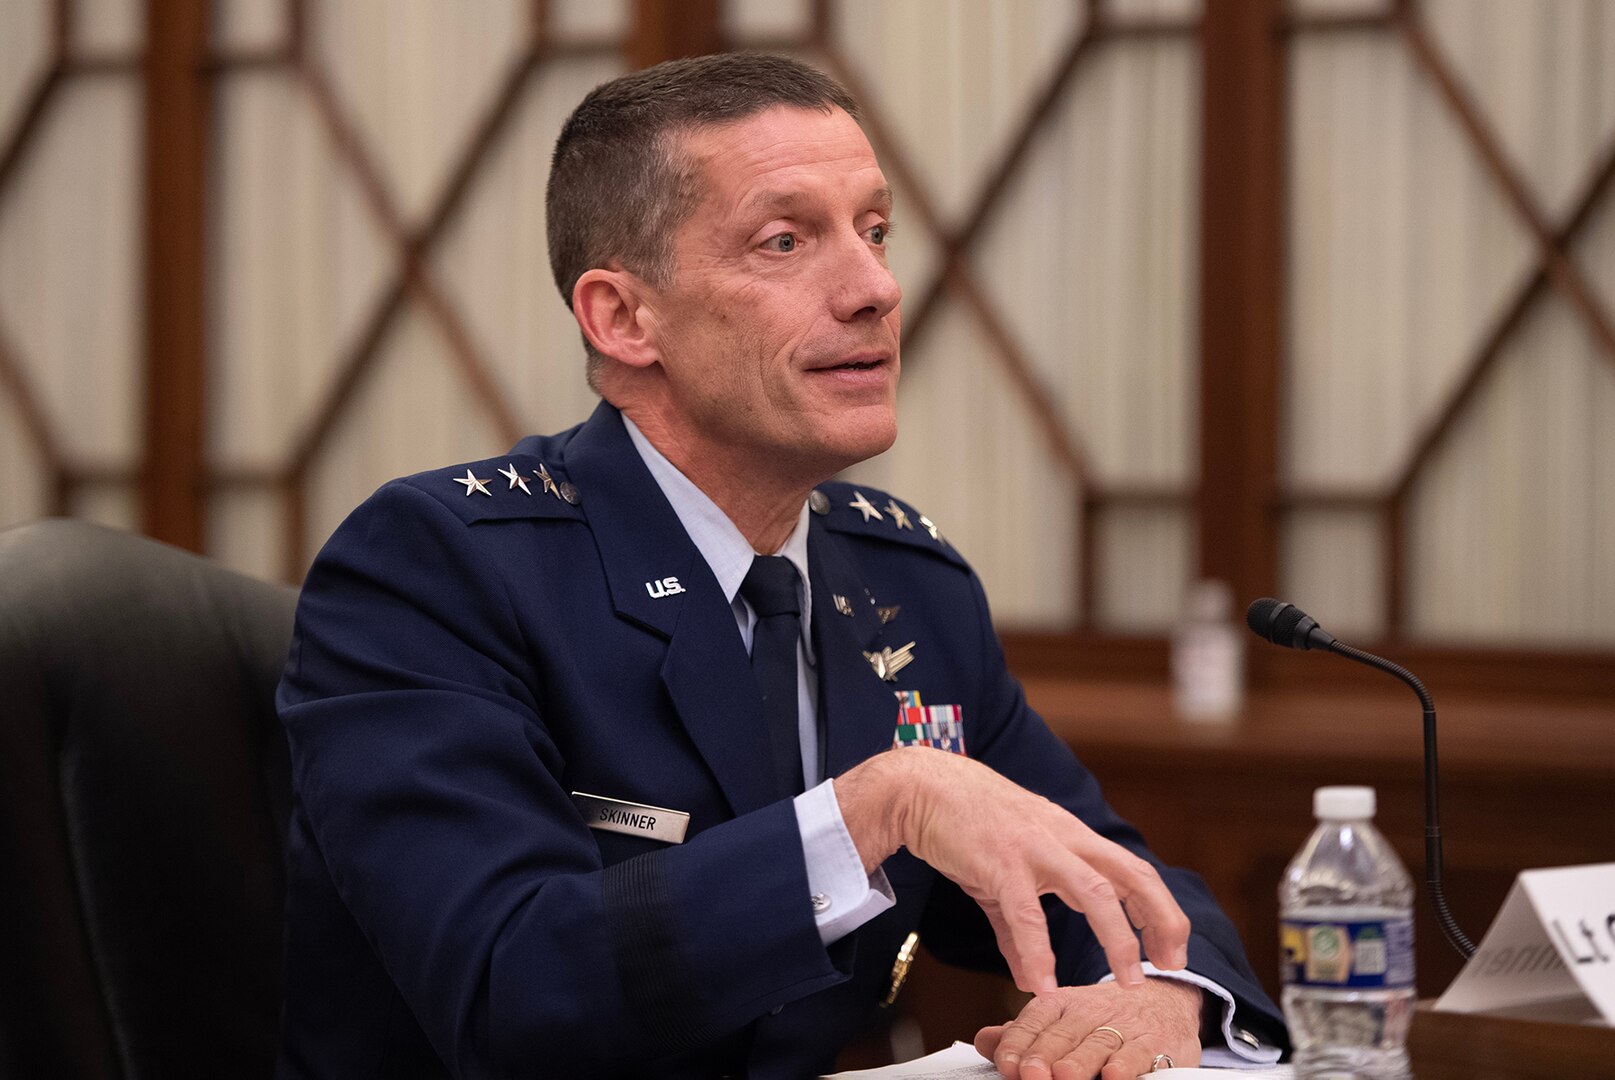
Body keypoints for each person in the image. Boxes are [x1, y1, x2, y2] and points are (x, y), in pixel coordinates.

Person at [276, 53, 1286, 1080]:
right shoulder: (438, 568)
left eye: (876, 230)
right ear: (624, 319)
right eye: (785, 240)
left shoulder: (907, 583)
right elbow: (510, 984)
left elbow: (1107, 873)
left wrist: (1161, 989)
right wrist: (876, 811)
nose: (875, 289)